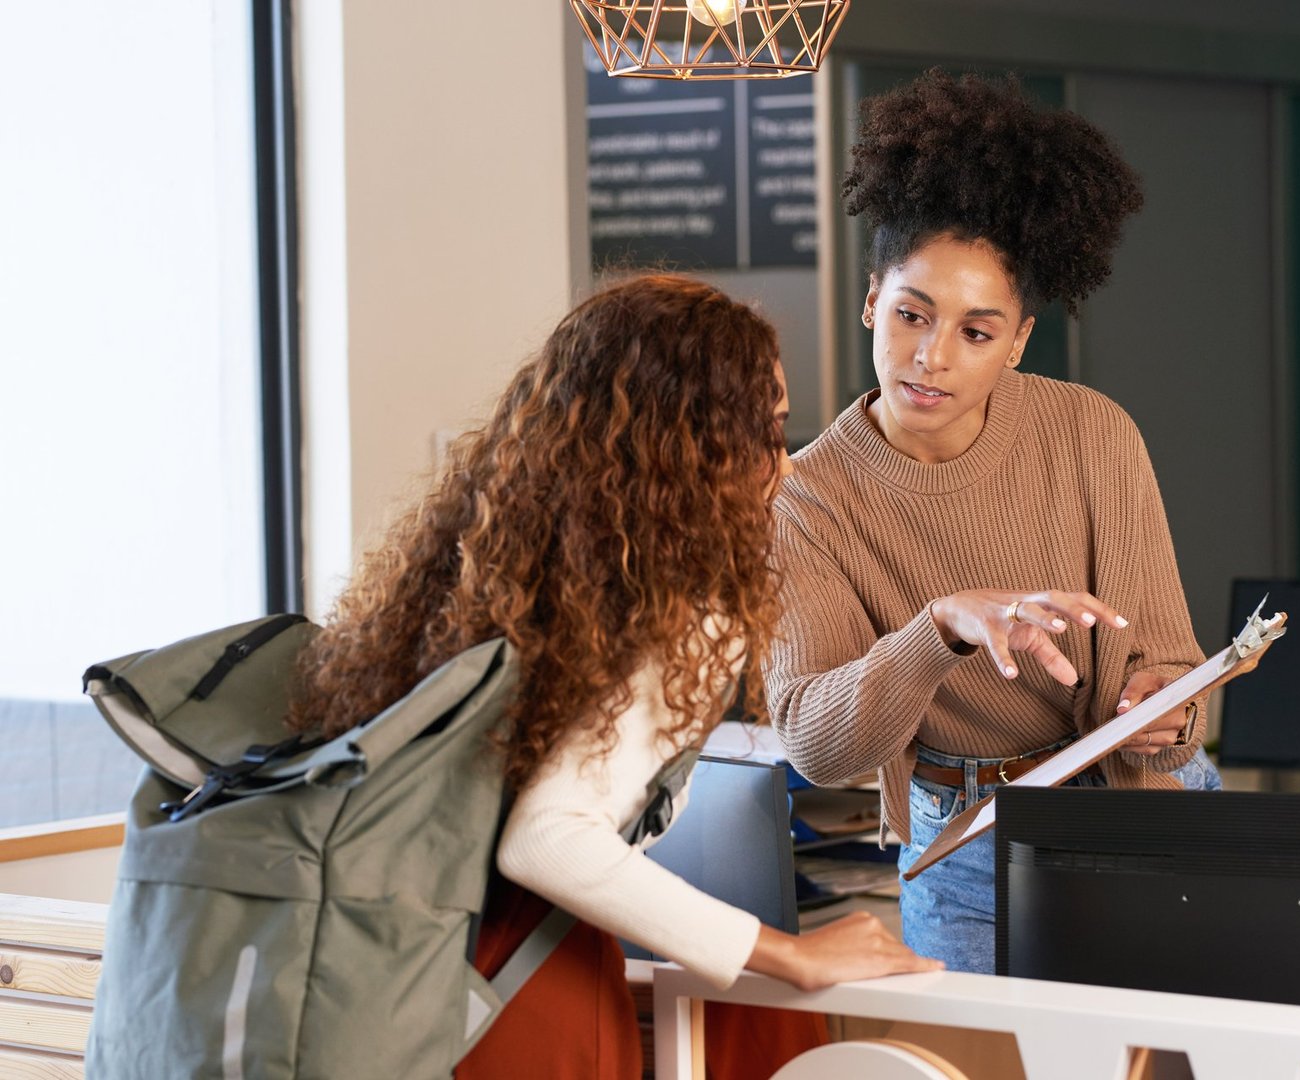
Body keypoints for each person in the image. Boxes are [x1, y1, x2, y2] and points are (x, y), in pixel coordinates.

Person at [287, 274, 939, 1078]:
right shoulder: (683, 611)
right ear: (697, 449)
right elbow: (547, 841)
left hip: (399, 976)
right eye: (766, 431)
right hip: (518, 991)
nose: (787, 465)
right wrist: (781, 953)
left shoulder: (489, 575)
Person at [765, 71, 1221, 976]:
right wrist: (938, 628)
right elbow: (817, 744)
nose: (931, 356)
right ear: (871, 302)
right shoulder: (806, 499)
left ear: (1017, 341)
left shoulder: (1092, 434)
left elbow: (1172, 664)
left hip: (1143, 817)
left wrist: (1161, 710)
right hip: (960, 843)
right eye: (910, 315)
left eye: (977, 332)